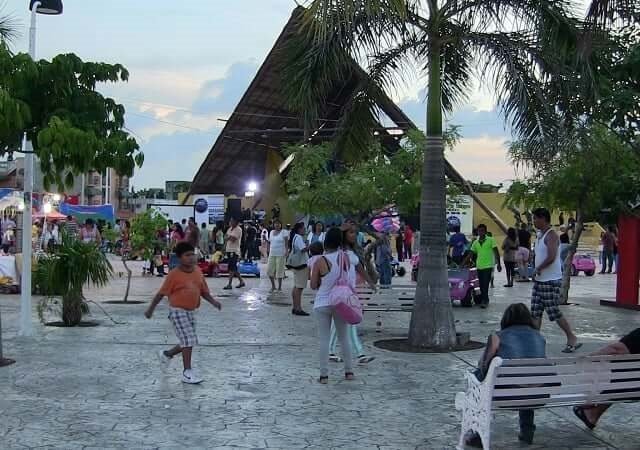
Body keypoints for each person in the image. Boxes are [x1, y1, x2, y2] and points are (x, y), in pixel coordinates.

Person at [466, 303, 546, 447]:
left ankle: (478, 433)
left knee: (477, 379)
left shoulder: (497, 337)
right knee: (529, 379)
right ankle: (527, 431)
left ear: (506, 319)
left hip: (507, 395)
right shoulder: (539, 336)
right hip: (538, 396)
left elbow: (483, 367)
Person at [144, 242, 222, 384]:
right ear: (180, 258)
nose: (191, 258)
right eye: (187, 255)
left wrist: (214, 302)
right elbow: (161, 294)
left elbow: (204, 292)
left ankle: (166, 354)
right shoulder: (174, 275)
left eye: (193, 254)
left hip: (191, 311)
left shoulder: (198, 271)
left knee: (187, 341)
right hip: (177, 311)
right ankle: (187, 372)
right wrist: (150, 309)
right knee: (189, 339)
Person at [531, 208, 581, 353]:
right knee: (535, 312)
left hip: (550, 280)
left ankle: (572, 337)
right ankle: (535, 341)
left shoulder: (551, 235)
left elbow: (552, 256)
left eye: (535, 218)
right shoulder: (540, 235)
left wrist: (538, 268)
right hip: (540, 281)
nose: (534, 221)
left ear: (543, 219)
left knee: (553, 312)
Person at [310, 227, 355, 384]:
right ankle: (349, 371)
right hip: (340, 302)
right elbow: (347, 278)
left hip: (322, 302)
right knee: (344, 338)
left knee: (324, 339)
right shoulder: (345, 258)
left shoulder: (319, 261)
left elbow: (314, 285)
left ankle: (324, 376)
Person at [328, 222, 376, 365]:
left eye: (355, 232)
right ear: (343, 234)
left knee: (344, 322)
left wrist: (370, 282)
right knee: (348, 322)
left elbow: (360, 268)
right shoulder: (336, 249)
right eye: (351, 232)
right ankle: (359, 353)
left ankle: (333, 351)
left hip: (350, 291)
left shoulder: (351, 250)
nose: (354, 235)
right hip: (340, 290)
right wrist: (339, 229)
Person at [572, 328, 640, 430]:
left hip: (632, 388)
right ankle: (591, 413)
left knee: (623, 378)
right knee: (624, 379)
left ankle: (590, 407)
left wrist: (589, 357)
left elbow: (616, 349)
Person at [465, 224, 501, 308]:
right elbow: (470, 254)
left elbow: (496, 252)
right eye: (479, 230)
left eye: (482, 230)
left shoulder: (491, 240)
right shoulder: (475, 242)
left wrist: (499, 264)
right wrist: (462, 264)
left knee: (485, 284)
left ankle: (485, 301)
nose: (480, 232)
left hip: (488, 266)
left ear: (485, 231)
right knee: (480, 285)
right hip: (479, 266)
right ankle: (482, 299)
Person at [289, 222, 310, 316]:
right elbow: (303, 249)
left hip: (296, 264)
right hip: (301, 264)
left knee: (296, 286)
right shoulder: (299, 238)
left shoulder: (295, 237)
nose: (304, 230)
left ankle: (295, 307)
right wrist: (309, 246)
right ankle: (298, 308)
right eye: (303, 228)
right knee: (299, 287)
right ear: (299, 229)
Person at [223, 217, 245, 290]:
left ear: (236, 222)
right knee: (233, 267)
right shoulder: (229, 229)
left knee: (232, 267)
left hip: (234, 251)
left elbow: (233, 239)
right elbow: (225, 237)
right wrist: (229, 237)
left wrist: (229, 237)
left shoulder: (238, 229)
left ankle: (229, 284)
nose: (230, 222)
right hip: (229, 250)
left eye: (232, 221)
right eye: (230, 220)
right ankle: (241, 281)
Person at [267, 219, 288, 292]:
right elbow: (269, 242)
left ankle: (279, 287)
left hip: (281, 254)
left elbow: (286, 243)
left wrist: (286, 251)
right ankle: (273, 286)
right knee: (269, 270)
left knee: (280, 271)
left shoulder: (284, 232)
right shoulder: (271, 232)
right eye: (275, 223)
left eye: (278, 223)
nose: (277, 225)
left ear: (281, 225)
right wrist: (268, 250)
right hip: (272, 254)